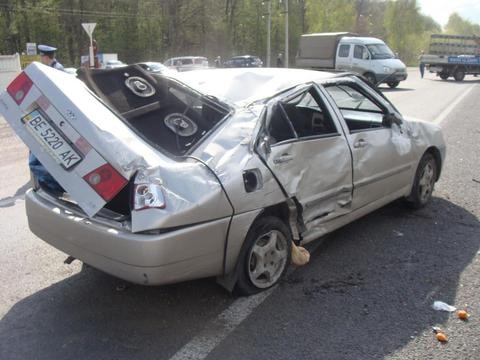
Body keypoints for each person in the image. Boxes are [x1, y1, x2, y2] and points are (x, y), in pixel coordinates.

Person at [28, 44, 65, 194]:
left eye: (41, 56)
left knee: (38, 152)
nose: (41, 59)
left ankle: (51, 187)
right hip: (50, 116)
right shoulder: (56, 68)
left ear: (45, 56)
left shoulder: (55, 71)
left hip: (52, 118)